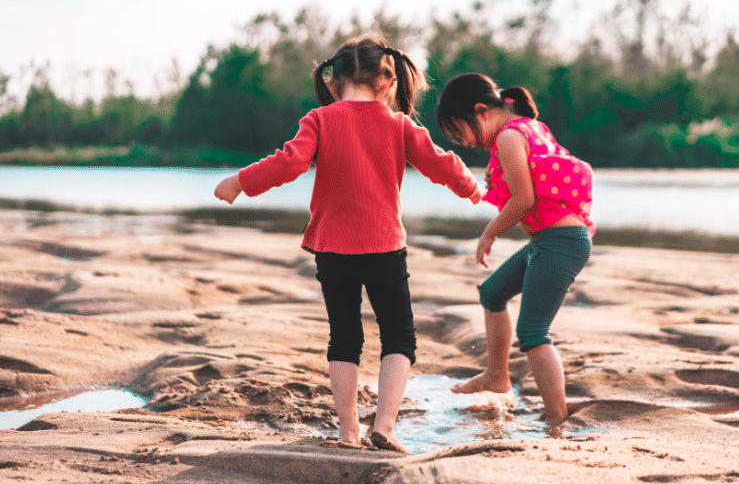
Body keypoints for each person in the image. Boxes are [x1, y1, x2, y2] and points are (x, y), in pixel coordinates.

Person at [214, 35, 482, 454]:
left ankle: (348, 431)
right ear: (389, 83)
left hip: (332, 248)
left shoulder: (319, 119)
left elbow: (290, 162)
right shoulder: (399, 124)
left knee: (344, 338)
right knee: (399, 338)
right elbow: (437, 162)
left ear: (334, 81)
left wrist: (240, 181)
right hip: (384, 244)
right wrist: (467, 185)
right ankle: (387, 427)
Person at [435, 73, 594, 426]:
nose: (465, 142)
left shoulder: (508, 137)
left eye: (461, 131)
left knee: (533, 332)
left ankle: (556, 418)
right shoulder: (528, 127)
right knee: (492, 293)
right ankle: (496, 375)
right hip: (552, 240)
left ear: (482, 111)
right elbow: (535, 181)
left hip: (560, 243)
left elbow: (525, 200)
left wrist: (488, 234)